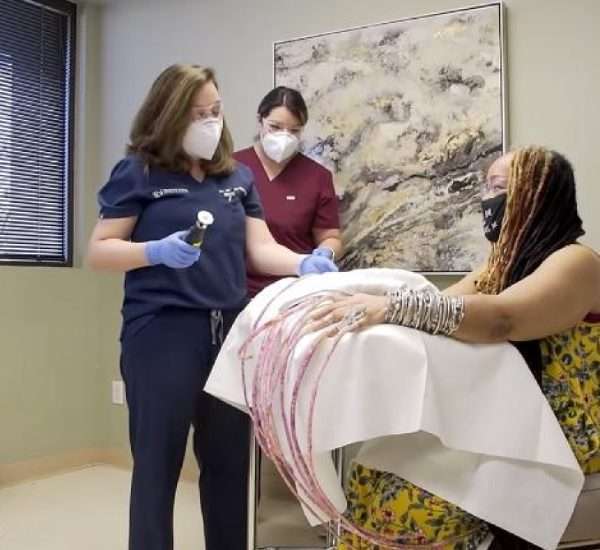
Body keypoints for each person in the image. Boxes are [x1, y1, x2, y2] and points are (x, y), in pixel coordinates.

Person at [86, 64, 337, 550]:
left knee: (229, 470)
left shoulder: (237, 177)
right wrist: (153, 251)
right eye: (198, 113)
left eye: (216, 111)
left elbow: (259, 250)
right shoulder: (138, 172)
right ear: (169, 116)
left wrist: (304, 262)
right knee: (157, 469)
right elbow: (99, 249)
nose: (210, 122)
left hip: (230, 335)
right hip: (162, 334)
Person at [309, 146, 600, 549]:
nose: (487, 198)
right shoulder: (503, 263)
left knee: (413, 501)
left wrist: (395, 306)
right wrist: (364, 301)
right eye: (486, 186)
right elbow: (443, 306)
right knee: (376, 469)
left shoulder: (575, 261)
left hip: (561, 427)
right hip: (506, 410)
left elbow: (501, 319)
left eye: (499, 187)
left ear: (537, 194)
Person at [234, 86, 343, 298]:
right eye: (275, 127)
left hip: (294, 291)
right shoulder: (231, 169)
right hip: (239, 291)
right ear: (260, 120)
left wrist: (325, 253)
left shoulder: (317, 177)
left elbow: (330, 236)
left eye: (294, 131)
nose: (284, 136)